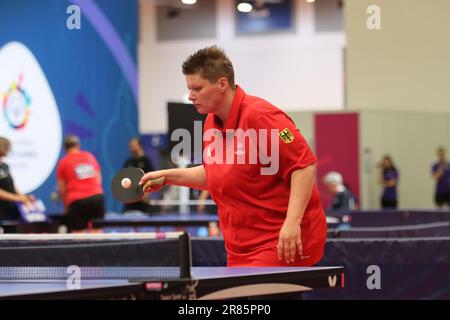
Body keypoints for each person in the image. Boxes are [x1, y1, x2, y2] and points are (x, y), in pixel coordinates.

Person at [140, 46, 327, 267]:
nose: (190, 96)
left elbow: (303, 166)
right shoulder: (211, 121)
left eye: (197, 88)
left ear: (222, 84)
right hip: (239, 247)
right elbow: (216, 174)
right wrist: (166, 176)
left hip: (280, 240)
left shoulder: (263, 117)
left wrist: (292, 223)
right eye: (189, 89)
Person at [56, 135, 105, 231]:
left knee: (78, 237)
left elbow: (62, 189)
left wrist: (66, 208)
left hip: (77, 201)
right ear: (78, 145)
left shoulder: (63, 162)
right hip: (96, 198)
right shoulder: (89, 156)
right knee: (97, 234)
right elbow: (99, 178)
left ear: (65, 148)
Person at [0, 137, 35, 220]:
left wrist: (24, 198)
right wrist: (17, 198)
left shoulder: (5, 166)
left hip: (9, 211)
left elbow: (12, 186)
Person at [122, 137, 154, 213]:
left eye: (133, 145)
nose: (131, 147)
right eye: (130, 146)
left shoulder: (146, 160)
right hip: (130, 199)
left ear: (139, 146)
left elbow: (152, 178)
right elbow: (123, 179)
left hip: (143, 200)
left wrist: (147, 193)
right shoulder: (128, 162)